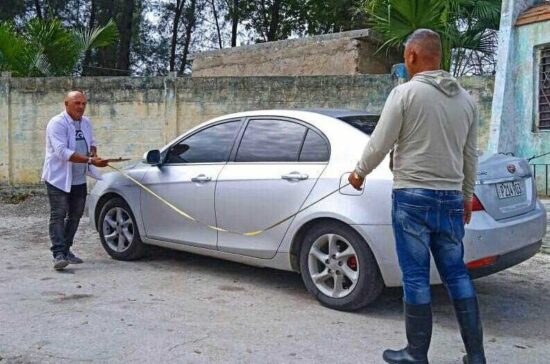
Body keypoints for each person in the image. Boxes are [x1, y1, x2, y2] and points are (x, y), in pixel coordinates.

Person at [348, 29, 486, 364]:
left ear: (412, 56)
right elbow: (470, 157)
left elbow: (380, 143)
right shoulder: (467, 101)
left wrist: (359, 172)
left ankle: (416, 353)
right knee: (456, 274)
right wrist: (466, 196)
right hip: (452, 199)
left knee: (415, 276)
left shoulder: (404, 94)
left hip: (412, 198)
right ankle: (476, 355)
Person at [42, 91, 108, 271]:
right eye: (77, 103)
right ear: (66, 104)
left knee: (76, 214)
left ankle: (66, 249)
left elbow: (91, 143)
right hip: (58, 178)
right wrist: (90, 160)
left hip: (78, 177)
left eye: (83, 104)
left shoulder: (86, 123)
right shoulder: (57, 123)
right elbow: (62, 153)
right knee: (58, 214)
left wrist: (93, 153)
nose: (81, 107)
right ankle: (58, 255)